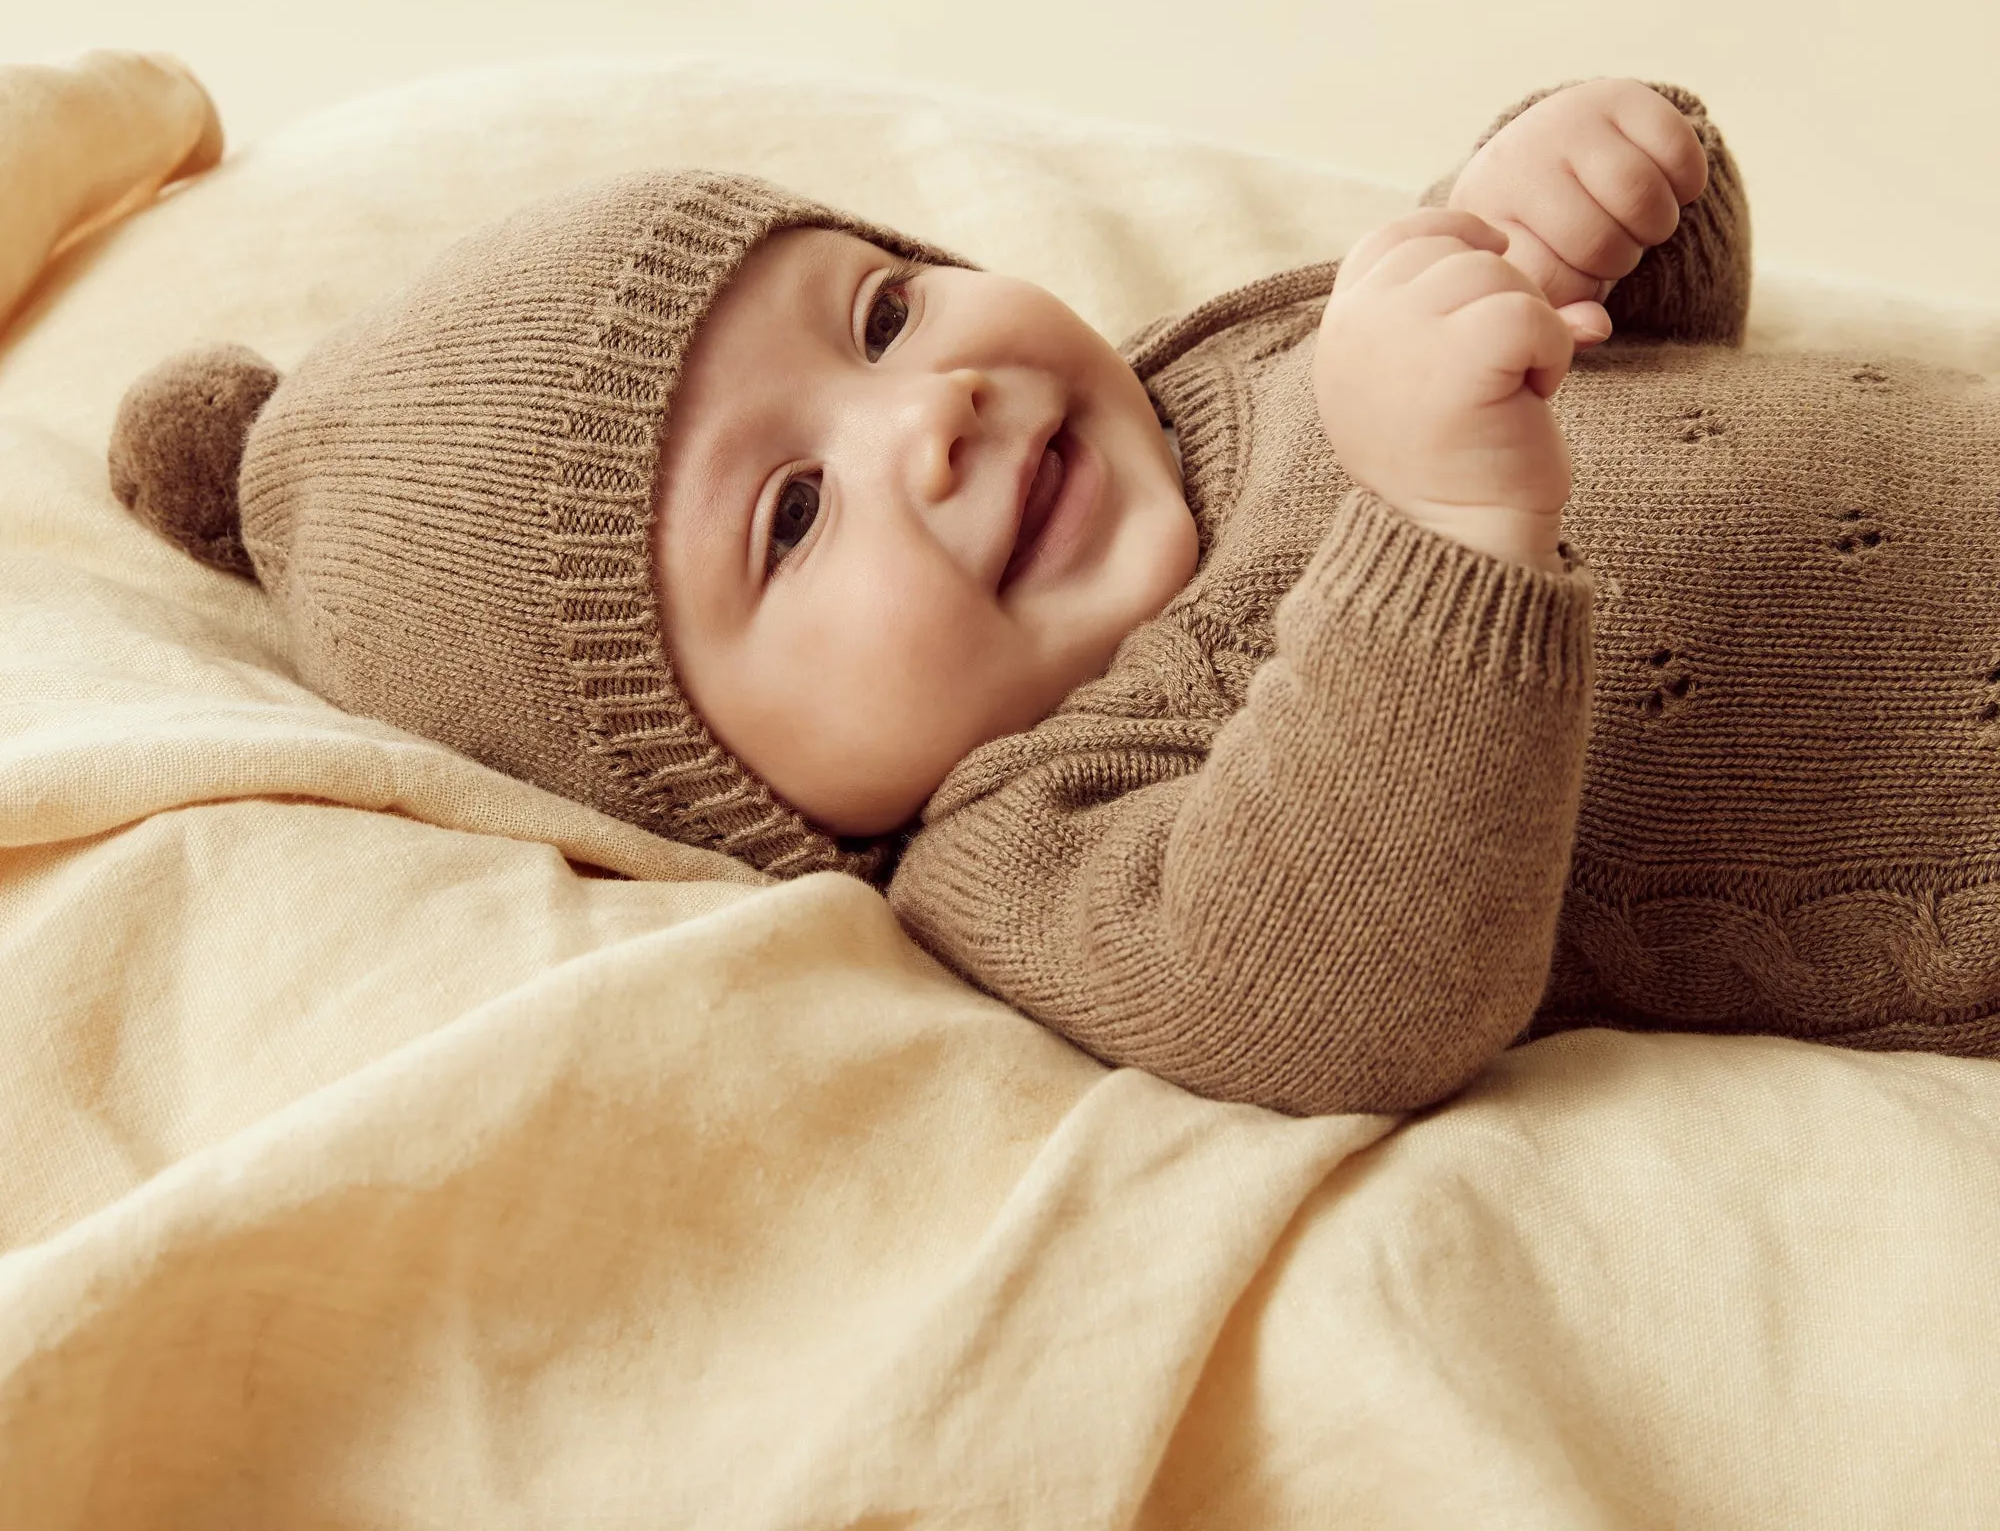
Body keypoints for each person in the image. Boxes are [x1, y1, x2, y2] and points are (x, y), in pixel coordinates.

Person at [108, 80, 2000, 1117]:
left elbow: (1635, 362)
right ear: (727, 793)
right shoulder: (1033, 840)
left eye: (880, 311)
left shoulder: (1235, 361)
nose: (926, 420)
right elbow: (1339, 991)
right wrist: (1440, 521)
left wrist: (1581, 204)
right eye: (787, 518)